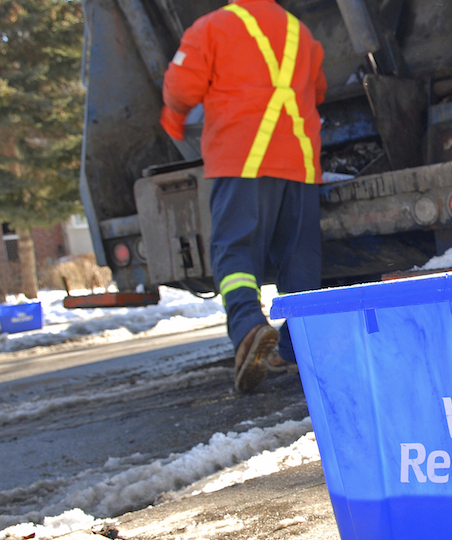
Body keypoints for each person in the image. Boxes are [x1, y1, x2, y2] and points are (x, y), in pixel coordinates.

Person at [160, 0, 327, 392]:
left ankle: (248, 324)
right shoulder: (299, 31)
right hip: (300, 160)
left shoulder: (213, 27)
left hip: (243, 156)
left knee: (235, 253)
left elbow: (182, 86)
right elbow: (318, 88)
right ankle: (297, 347)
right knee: (299, 260)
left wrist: (172, 115)